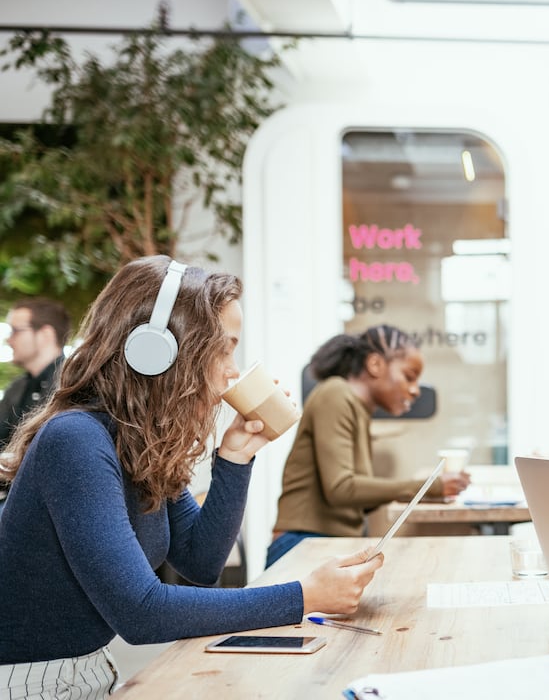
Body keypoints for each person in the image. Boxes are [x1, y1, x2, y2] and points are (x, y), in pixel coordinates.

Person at [0, 256, 384, 699]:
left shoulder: (135, 441)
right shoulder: (76, 440)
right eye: (224, 348)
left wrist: (235, 459)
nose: (233, 369)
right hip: (27, 682)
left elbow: (200, 564)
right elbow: (142, 613)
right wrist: (305, 595)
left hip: (85, 672)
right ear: (156, 349)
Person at [268, 326, 471, 567]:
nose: (416, 390)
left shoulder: (357, 408)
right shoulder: (335, 394)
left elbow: (355, 495)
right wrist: (427, 488)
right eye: (409, 376)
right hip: (302, 546)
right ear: (375, 365)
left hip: (323, 545)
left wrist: (423, 491)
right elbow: (341, 489)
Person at [0, 298, 71, 448]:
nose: (8, 340)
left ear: (46, 334)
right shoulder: (17, 386)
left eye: (15, 331)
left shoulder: (72, 385)